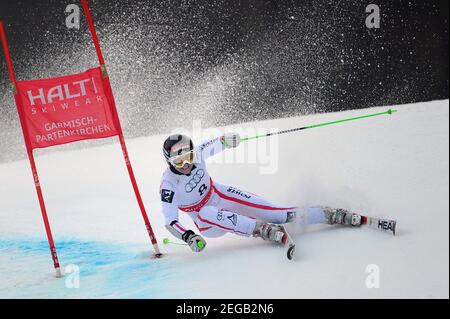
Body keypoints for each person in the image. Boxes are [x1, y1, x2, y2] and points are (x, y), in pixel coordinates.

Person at [160, 133, 363, 253]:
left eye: (189, 157)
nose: (186, 164)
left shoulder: (198, 154)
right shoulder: (169, 184)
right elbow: (170, 221)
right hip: (206, 222)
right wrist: (188, 237)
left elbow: (217, 142)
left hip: (219, 195)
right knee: (206, 212)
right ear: (170, 162)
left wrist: (228, 140)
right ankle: (259, 229)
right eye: (179, 161)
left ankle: (327, 214)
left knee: (277, 213)